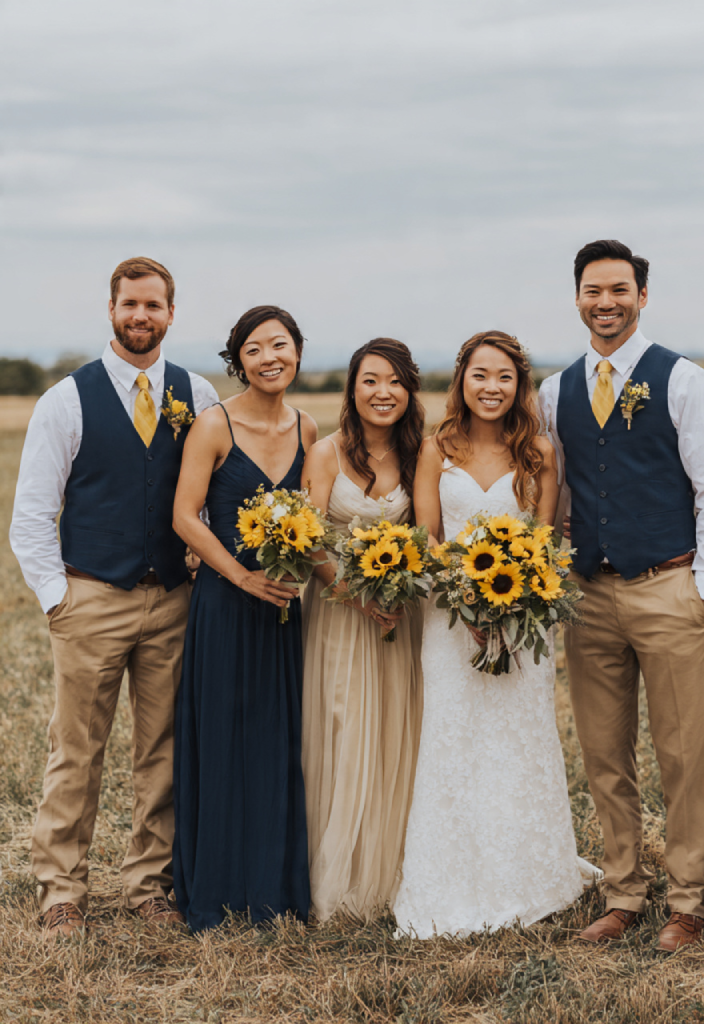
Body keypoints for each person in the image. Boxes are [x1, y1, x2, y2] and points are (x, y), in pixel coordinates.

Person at [538, 239, 704, 952]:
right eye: (593, 290)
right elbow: (556, 491)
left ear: (642, 296)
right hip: (590, 594)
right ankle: (623, 892)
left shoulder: (684, 380)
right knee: (604, 752)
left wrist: (702, 591)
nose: (606, 302)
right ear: (577, 298)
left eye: (620, 289)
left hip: (669, 589)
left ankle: (689, 899)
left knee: (685, 753)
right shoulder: (555, 390)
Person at [9, 257, 219, 937]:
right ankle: (60, 889)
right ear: (111, 309)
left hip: (174, 601)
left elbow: (212, 497)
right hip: (92, 597)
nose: (141, 317)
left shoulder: (200, 394)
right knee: (78, 747)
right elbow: (33, 514)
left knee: (161, 748)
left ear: (170, 313)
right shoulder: (66, 400)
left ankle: (149, 886)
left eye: (153, 306)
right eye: (130, 305)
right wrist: (56, 598)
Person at [392, 330, 600, 938]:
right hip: (449, 622)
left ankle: (527, 876)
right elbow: (427, 538)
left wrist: (511, 609)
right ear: (463, 381)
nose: (492, 387)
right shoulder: (437, 448)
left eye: (504, 377)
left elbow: (544, 541)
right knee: (453, 741)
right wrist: (467, 600)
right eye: (481, 375)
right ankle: (450, 879)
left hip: (521, 620)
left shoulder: (538, 450)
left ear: (520, 385)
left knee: (518, 739)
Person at [171, 305, 318, 932]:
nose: (269, 358)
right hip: (228, 603)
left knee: (279, 740)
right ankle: (218, 886)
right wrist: (238, 575)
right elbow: (184, 516)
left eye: (279, 345)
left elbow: (311, 521)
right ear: (239, 360)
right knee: (224, 738)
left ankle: (275, 885)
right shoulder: (214, 424)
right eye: (254, 349)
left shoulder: (309, 427)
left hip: (283, 606)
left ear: (297, 353)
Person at [300, 338, 425, 923]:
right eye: (371, 380)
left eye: (395, 382)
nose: (383, 393)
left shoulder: (420, 455)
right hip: (338, 614)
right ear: (352, 388)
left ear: (410, 391)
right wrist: (353, 595)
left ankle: (392, 870)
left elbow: (429, 535)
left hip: (399, 617)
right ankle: (340, 877)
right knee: (344, 725)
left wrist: (400, 591)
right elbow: (309, 537)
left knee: (395, 731)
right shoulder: (325, 453)